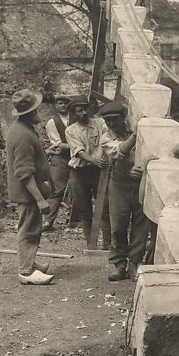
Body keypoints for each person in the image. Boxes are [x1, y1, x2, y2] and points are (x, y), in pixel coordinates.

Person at [6, 89, 54, 285]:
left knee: (31, 228)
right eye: (36, 110)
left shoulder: (22, 128)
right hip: (28, 194)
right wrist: (40, 199)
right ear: (29, 113)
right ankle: (26, 271)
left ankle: (30, 262)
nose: (38, 113)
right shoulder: (22, 134)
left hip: (28, 193)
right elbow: (24, 172)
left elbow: (28, 158)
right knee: (29, 230)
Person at [99, 102, 149, 281]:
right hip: (119, 185)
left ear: (123, 117)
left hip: (141, 184)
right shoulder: (106, 138)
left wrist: (143, 169)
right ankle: (119, 264)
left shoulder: (143, 131)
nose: (111, 124)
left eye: (114, 120)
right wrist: (137, 134)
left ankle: (134, 263)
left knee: (140, 226)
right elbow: (120, 151)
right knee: (118, 226)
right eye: (107, 120)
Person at [65, 97, 111, 249]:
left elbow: (108, 136)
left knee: (104, 207)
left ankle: (107, 244)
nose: (84, 113)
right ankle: (90, 244)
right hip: (80, 172)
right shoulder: (71, 130)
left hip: (99, 172)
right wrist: (94, 160)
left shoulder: (99, 123)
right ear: (73, 113)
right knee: (85, 209)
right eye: (79, 111)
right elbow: (79, 152)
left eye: (85, 109)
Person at [43, 94, 72, 231]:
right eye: (60, 103)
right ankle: (48, 221)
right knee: (57, 190)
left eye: (65, 103)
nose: (63, 106)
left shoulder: (74, 119)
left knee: (77, 188)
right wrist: (77, 146)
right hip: (60, 158)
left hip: (76, 157)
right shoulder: (52, 122)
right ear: (56, 106)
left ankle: (74, 219)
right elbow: (58, 145)